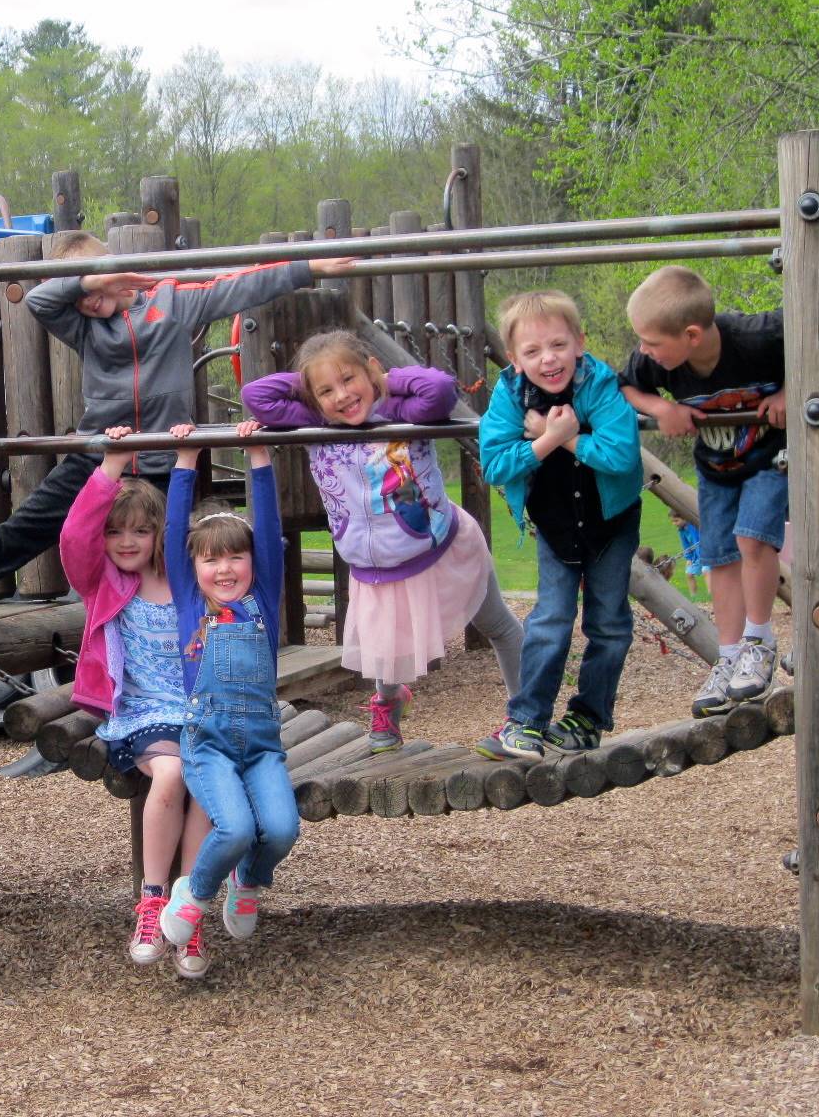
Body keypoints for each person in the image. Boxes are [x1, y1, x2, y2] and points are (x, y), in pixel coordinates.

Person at [0, 232, 359, 603]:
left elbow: (237, 285)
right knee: (31, 523)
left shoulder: (170, 302)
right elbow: (40, 300)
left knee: (174, 550)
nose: (85, 301)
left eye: (91, 283)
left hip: (160, 460)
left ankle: (216, 626)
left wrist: (309, 267)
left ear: (116, 272)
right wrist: (84, 284)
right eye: (77, 291)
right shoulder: (81, 324)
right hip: (101, 456)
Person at [241, 331, 523, 753]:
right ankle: (389, 707)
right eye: (326, 390)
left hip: (439, 548)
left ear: (371, 371)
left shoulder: (401, 410)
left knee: (497, 624)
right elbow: (255, 395)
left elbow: (441, 390)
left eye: (349, 379)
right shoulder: (315, 421)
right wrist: (308, 386)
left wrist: (386, 381)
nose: (342, 395)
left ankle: (526, 711)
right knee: (384, 644)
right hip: (374, 563)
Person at [60, 425, 211, 979]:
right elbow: (75, 537)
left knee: (207, 783)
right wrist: (112, 465)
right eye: (116, 532)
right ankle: (152, 900)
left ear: (160, 536)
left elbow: (199, 542)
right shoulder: (103, 583)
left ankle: (188, 911)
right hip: (143, 712)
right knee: (171, 773)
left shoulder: (184, 582)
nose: (127, 542)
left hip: (197, 710)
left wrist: (187, 459)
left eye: (141, 532)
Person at [474, 291, 644, 759]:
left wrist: (566, 440)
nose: (548, 359)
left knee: (609, 623)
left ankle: (587, 718)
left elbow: (620, 454)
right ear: (514, 358)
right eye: (532, 351)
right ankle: (526, 721)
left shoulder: (599, 385)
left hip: (611, 521)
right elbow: (494, 465)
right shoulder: (509, 394)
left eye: (558, 345)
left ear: (579, 343)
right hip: (555, 524)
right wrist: (549, 440)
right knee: (551, 619)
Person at [157, 421, 300, 965]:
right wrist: (185, 461)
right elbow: (174, 532)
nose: (225, 568)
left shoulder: (263, 595)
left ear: (252, 564)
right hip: (209, 740)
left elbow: (267, 531)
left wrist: (259, 456)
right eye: (211, 559)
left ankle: (249, 881)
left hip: (262, 740)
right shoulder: (191, 603)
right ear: (193, 568)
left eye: (235, 557)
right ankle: (193, 892)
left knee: (282, 830)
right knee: (236, 826)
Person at [619, 266, 786, 714]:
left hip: (770, 459)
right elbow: (626, 385)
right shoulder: (656, 362)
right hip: (716, 468)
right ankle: (729, 657)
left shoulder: (758, 338)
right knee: (718, 556)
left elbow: (818, 337)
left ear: (691, 335)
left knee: (752, 538)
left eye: (651, 342)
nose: (644, 350)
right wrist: (659, 406)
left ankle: (759, 640)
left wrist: (791, 391)